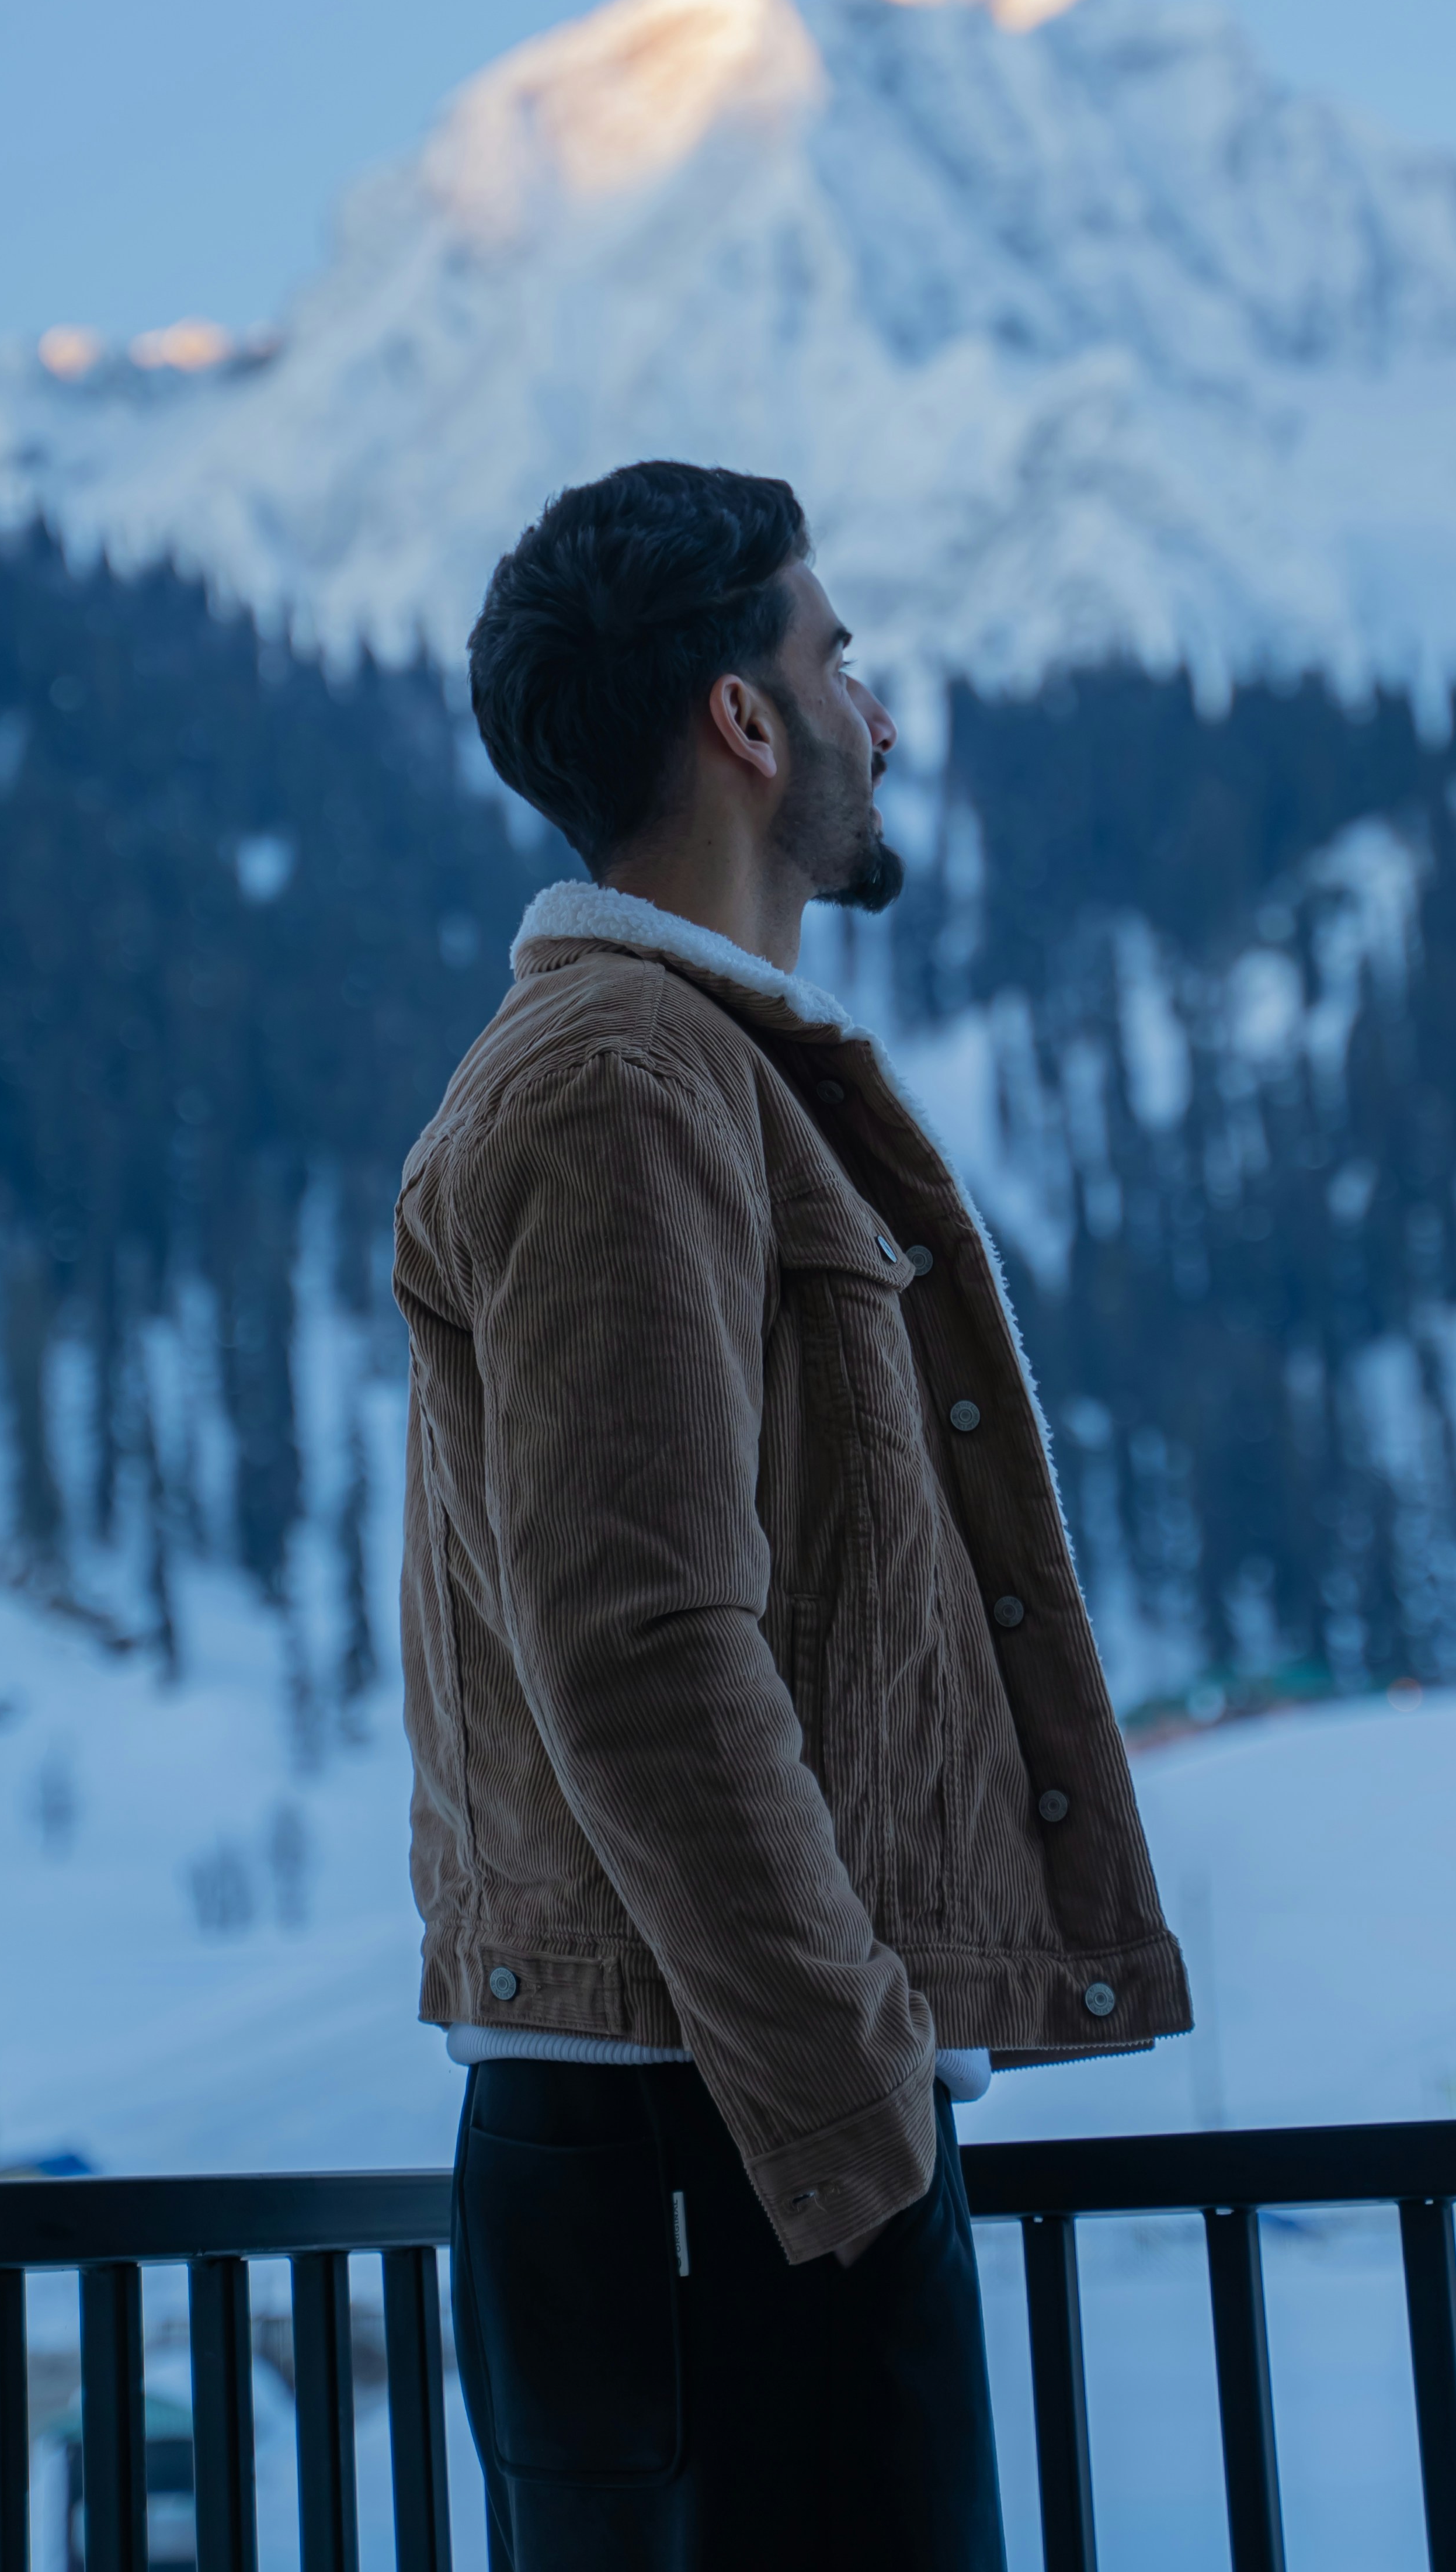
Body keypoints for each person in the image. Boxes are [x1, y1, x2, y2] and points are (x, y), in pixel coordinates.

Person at [394, 460, 1189, 2568]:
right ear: (746, 724)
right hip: (723, 2150)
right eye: (838, 659)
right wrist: (860, 2125)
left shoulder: (686, 1067)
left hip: (733, 2134)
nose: (876, 710)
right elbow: (643, 1644)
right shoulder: (619, 1086)